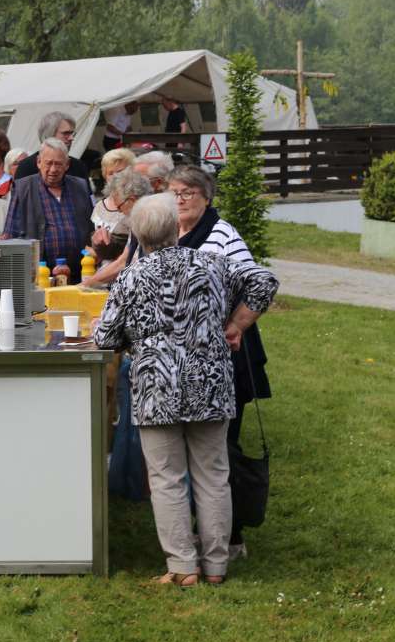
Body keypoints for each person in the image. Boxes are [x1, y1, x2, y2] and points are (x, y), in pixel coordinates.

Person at [93, 194, 278, 586]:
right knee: (213, 475)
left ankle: (181, 566)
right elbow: (264, 280)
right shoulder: (212, 264)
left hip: (156, 385)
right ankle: (216, 566)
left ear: (140, 235)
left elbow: (105, 336)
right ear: (173, 228)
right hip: (209, 382)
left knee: (167, 478)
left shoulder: (132, 276)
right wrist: (237, 325)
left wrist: (134, 337)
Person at [168, 164, 272, 558]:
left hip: (228, 356)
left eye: (188, 192)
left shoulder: (221, 233)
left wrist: (237, 325)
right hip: (188, 358)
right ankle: (206, 530)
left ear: (206, 197)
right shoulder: (172, 231)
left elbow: (260, 282)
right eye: (174, 192)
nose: (179, 199)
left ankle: (231, 537)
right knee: (199, 447)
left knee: (223, 447)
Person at [5, 138, 93, 283]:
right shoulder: (23, 188)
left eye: (58, 164)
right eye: (48, 163)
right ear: (39, 162)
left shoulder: (80, 187)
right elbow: (10, 235)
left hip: (80, 274)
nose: (53, 169)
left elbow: (90, 228)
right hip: (40, 276)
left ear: (67, 165)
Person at [13, 112, 90, 184]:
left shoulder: (78, 166)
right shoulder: (27, 167)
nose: (71, 138)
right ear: (49, 134)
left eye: (72, 133)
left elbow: (88, 197)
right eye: (66, 133)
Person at [91, 149, 138, 265]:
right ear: (105, 176)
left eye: (120, 172)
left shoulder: (136, 205)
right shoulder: (98, 206)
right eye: (110, 173)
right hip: (100, 271)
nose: (115, 177)